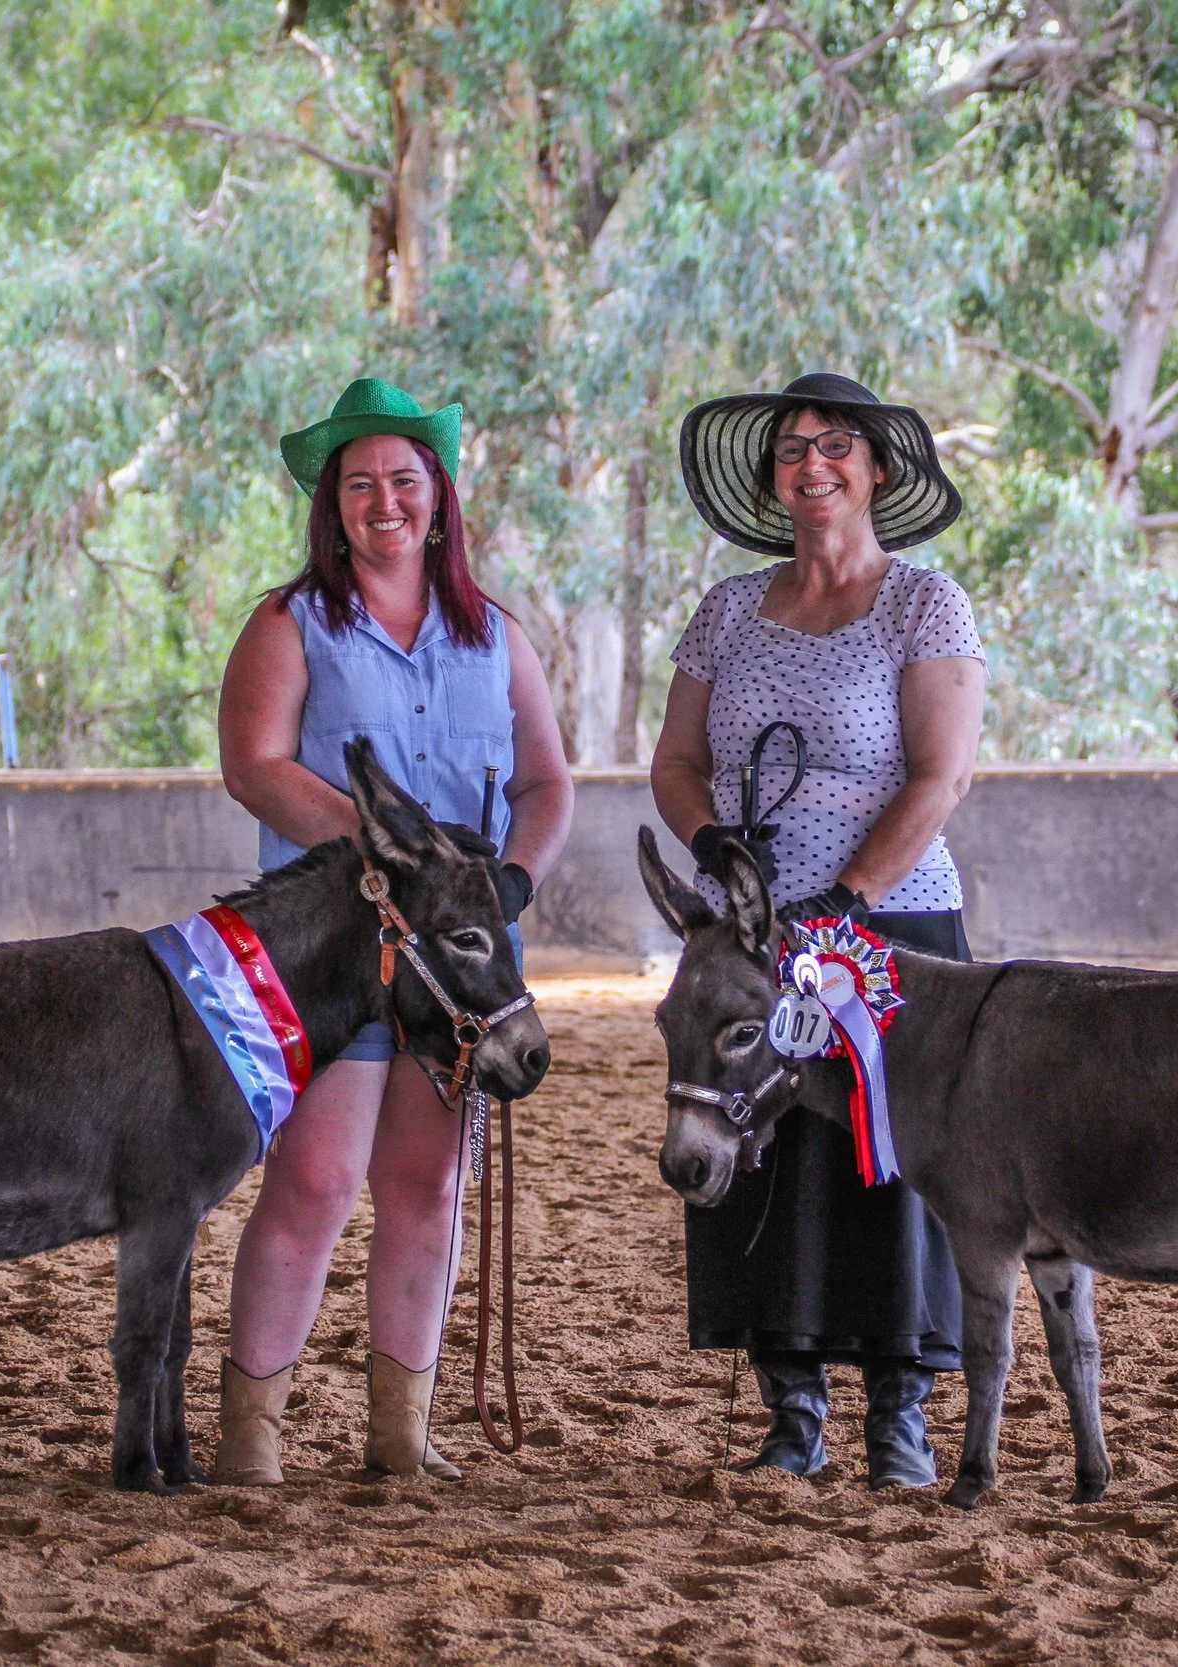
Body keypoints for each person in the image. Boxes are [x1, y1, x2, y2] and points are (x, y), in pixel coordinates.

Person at [213, 377, 573, 1484]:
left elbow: (549, 781)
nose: (385, 502)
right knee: (315, 1179)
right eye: (361, 483)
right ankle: (251, 1439)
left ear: (438, 498)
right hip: (334, 953)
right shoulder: (289, 622)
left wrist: (504, 883)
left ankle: (399, 1437)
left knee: (426, 1184)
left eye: (404, 481)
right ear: (332, 506)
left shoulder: (493, 633)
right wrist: (388, 855)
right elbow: (255, 764)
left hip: (452, 969)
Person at [651, 371, 986, 1488]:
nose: (812, 465)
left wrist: (842, 901)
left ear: (877, 467)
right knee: (764, 1153)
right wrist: (712, 848)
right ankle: (790, 1413)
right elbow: (676, 762)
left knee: (892, 1159)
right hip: (745, 926)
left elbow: (940, 778)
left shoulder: (923, 603)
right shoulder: (727, 610)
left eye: (833, 446)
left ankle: (902, 1420)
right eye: (791, 449)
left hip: (886, 926)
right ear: (774, 478)